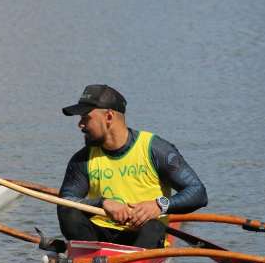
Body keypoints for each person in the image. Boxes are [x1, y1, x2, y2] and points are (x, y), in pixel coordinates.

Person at [58, 84, 207, 248]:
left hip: (143, 233)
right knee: (68, 211)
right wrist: (102, 203)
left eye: (86, 117)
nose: (80, 125)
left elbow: (198, 192)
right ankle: (88, 260)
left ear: (108, 116)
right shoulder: (82, 159)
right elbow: (66, 201)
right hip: (99, 236)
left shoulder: (156, 150)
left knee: (154, 226)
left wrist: (159, 205)